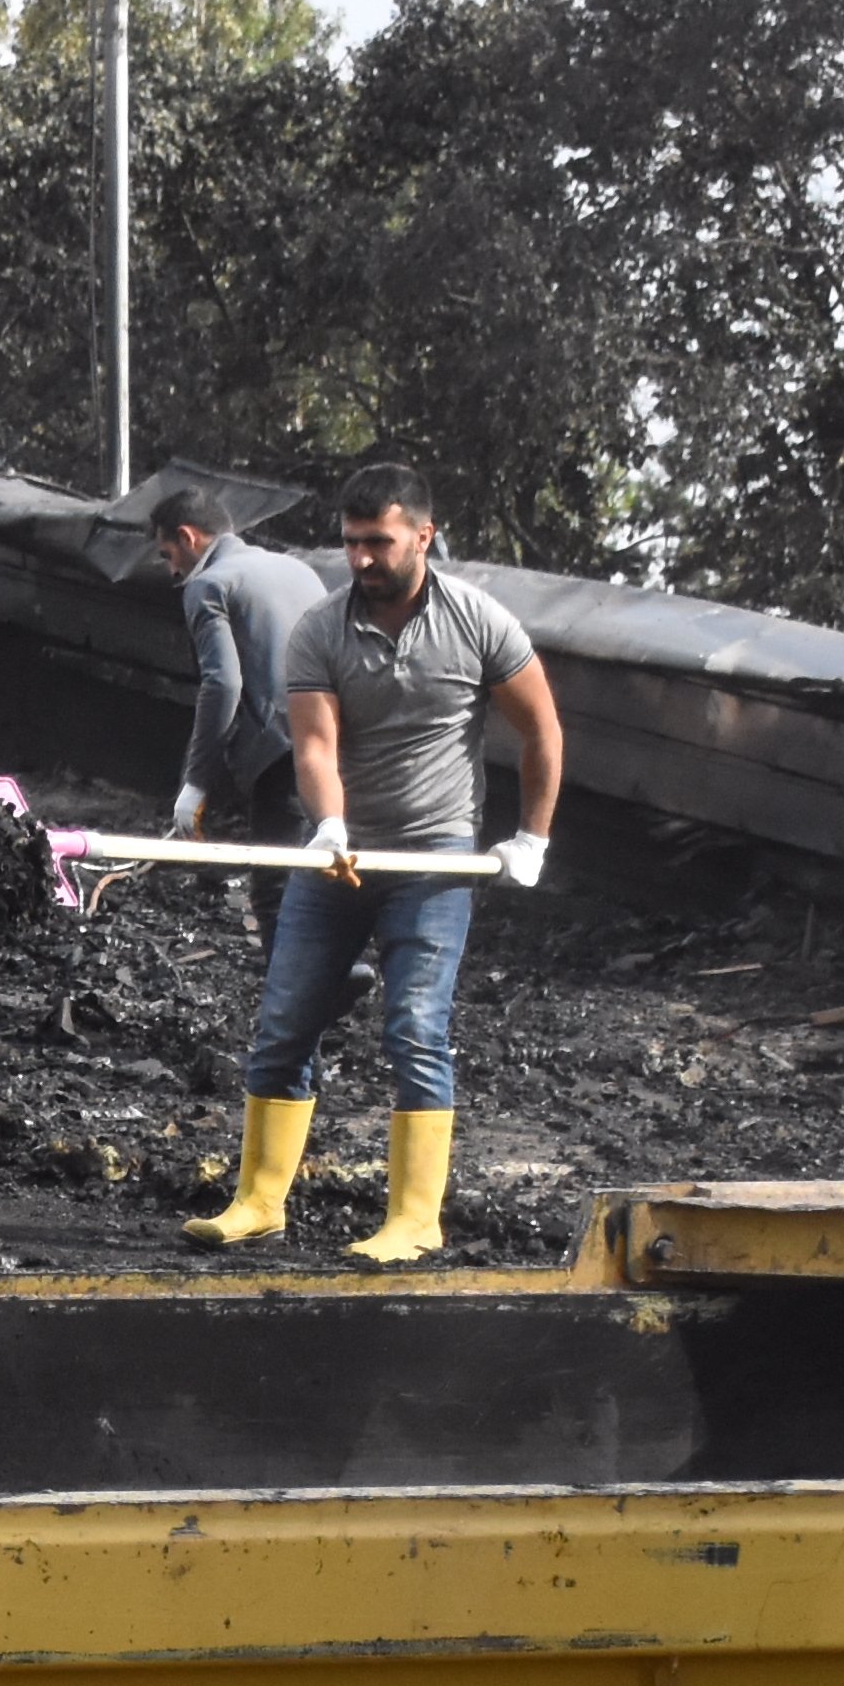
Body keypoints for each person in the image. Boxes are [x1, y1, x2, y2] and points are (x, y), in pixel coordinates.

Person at [191, 460, 563, 1268]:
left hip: (435, 862)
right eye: (352, 542)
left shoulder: (479, 622)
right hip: (340, 860)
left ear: (424, 537)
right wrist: (327, 825)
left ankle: (415, 1219)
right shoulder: (320, 629)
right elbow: (315, 744)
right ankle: (258, 1202)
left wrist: (531, 836)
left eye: (380, 542)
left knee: (415, 1030)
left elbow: (541, 730)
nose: (362, 559)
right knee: (284, 1023)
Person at [148, 485, 324, 843]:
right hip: (338, 740)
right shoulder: (298, 569)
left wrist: (195, 782)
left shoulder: (209, 586)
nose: (172, 571)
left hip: (285, 753)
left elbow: (224, 685)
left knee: (275, 887)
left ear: (187, 537)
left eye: (168, 555)